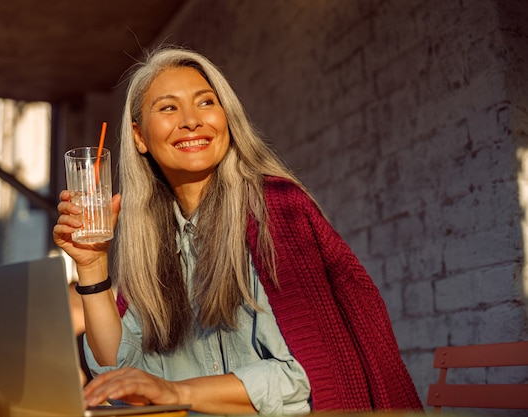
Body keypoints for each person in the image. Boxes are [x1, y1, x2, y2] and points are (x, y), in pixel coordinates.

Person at [53, 46, 423, 415]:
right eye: (168, 108)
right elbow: (120, 376)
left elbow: (304, 380)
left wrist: (175, 392)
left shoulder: (276, 210)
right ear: (139, 137)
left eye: (205, 102)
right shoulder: (152, 246)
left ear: (225, 118)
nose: (191, 120)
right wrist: (92, 266)